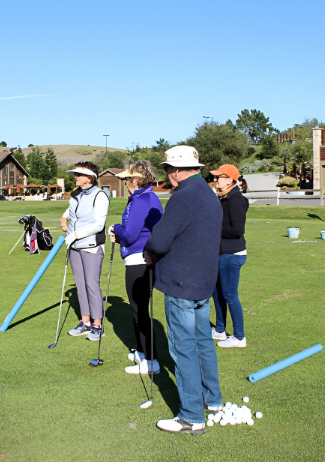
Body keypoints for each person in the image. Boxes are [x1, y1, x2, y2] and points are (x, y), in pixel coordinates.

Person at [143, 146, 222, 435]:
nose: (167, 175)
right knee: (202, 342)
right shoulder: (209, 194)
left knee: (183, 347)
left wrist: (150, 251)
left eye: (167, 170)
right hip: (202, 283)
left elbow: (160, 241)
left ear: (177, 171)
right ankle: (212, 401)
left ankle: (191, 416)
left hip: (181, 284)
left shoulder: (183, 196)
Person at [108, 160, 163, 375]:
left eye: (126, 179)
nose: (124, 182)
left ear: (136, 180)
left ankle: (151, 361)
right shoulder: (144, 197)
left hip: (140, 260)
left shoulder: (142, 200)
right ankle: (141, 352)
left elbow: (130, 235)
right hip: (140, 259)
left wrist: (115, 227)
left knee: (139, 311)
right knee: (136, 309)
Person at [62, 162, 109, 341]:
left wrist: (75, 234)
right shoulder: (76, 194)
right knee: (80, 286)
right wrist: (64, 217)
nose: (76, 177)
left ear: (90, 177)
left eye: (79, 174)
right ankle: (85, 322)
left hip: (91, 246)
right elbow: (73, 209)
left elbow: (98, 224)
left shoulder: (100, 196)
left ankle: (97, 325)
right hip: (74, 246)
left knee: (91, 285)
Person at [210, 164, 249, 348]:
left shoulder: (235, 199)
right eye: (216, 177)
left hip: (232, 254)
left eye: (219, 177)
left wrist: (212, 228)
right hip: (221, 253)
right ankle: (219, 330)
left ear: (231, 180)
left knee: (230, 294)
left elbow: (237, 230)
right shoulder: (223, 198)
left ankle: (239, 337)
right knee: (217, 293)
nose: (216, 180)